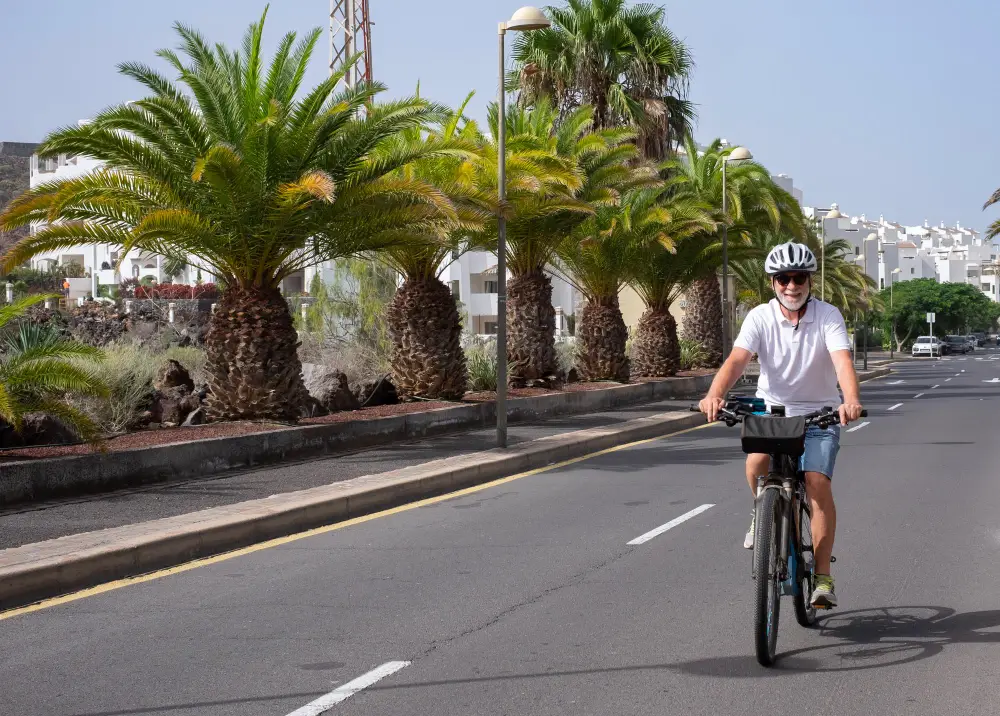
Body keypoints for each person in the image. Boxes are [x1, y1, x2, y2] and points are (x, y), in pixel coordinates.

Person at [698, 242, 863, 608]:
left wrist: (850, 400)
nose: (792, 285)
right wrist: (714, 394)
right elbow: (737, 360)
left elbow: (841, 361)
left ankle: (822, 577)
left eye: (799, 277)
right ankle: (762, 513)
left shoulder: (828, 316)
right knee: (756, 462)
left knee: (817, 483)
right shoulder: (759, 316)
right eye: (784, 278)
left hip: (819, 413)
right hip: (773, 411)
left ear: (809, 281)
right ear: (773, 283)